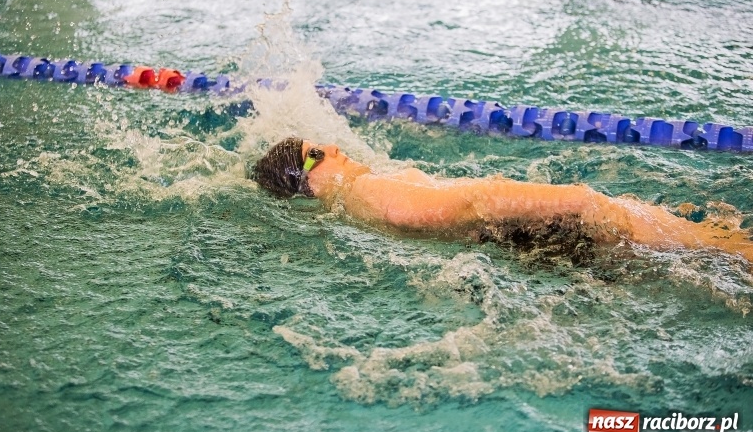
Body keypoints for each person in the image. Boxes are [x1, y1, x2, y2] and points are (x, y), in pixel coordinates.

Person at [252, 137, 753, 264]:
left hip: (531, 242)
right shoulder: (363, 191)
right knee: (725, 248)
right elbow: (469, 204)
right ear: (309, 182)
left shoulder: (353, 204)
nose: (334, 148)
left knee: (706, 244)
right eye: (317, 153)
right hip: (559, 225)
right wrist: (575, 199)